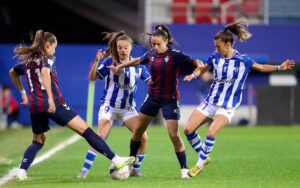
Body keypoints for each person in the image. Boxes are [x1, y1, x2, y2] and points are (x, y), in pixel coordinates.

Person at [9, 30, 135, 181]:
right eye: (54, 47)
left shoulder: (27, 61)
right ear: (47, 45)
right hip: (53, 103)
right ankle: (116, 159)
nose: (54, 51)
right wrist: (49, 98)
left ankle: (22, 172)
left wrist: (23, 92)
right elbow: (44, 73)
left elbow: (12, 72)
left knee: (38, 141)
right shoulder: (47, 58)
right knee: (87, 131)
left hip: (34, 106)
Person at [183, 22, 295, 177]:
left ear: (228, 44)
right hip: (211, 101)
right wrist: (193, 75)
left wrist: (279, 68)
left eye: (218, 46)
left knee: (211, 132)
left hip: (228, 106)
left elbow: (261, 68)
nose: (216, 49)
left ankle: (199, 164)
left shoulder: (243, 60)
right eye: (215, 46)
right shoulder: (215, 57)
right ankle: (204, 155)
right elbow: (204, 69)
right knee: (188, 129)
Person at [109, 25, 203, 179]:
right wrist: (120, 65)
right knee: (138, 130)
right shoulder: (151, 54)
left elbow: (195, 62)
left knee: (174, 135)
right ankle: (131, 163)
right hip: (152, 98)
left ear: (166, 41)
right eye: (153, 44)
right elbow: (138, 61)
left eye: (158, 44)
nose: (155, 47)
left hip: (170, 100)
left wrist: (197, 68)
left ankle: (184, 169)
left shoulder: (175, 55)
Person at [78, 31, 150, 179]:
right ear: (115, 48)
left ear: (131, 47)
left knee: (143, 138)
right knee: (100, 137)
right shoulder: (109, 61)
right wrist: (97, 61)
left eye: (125, 47)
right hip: (109, 107)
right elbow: (92, 78)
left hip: (127, 109)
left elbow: (151, 83)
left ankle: (135, 169)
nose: (122, 50)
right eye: (119, 47)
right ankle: (84, 171)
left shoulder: (138, 65)